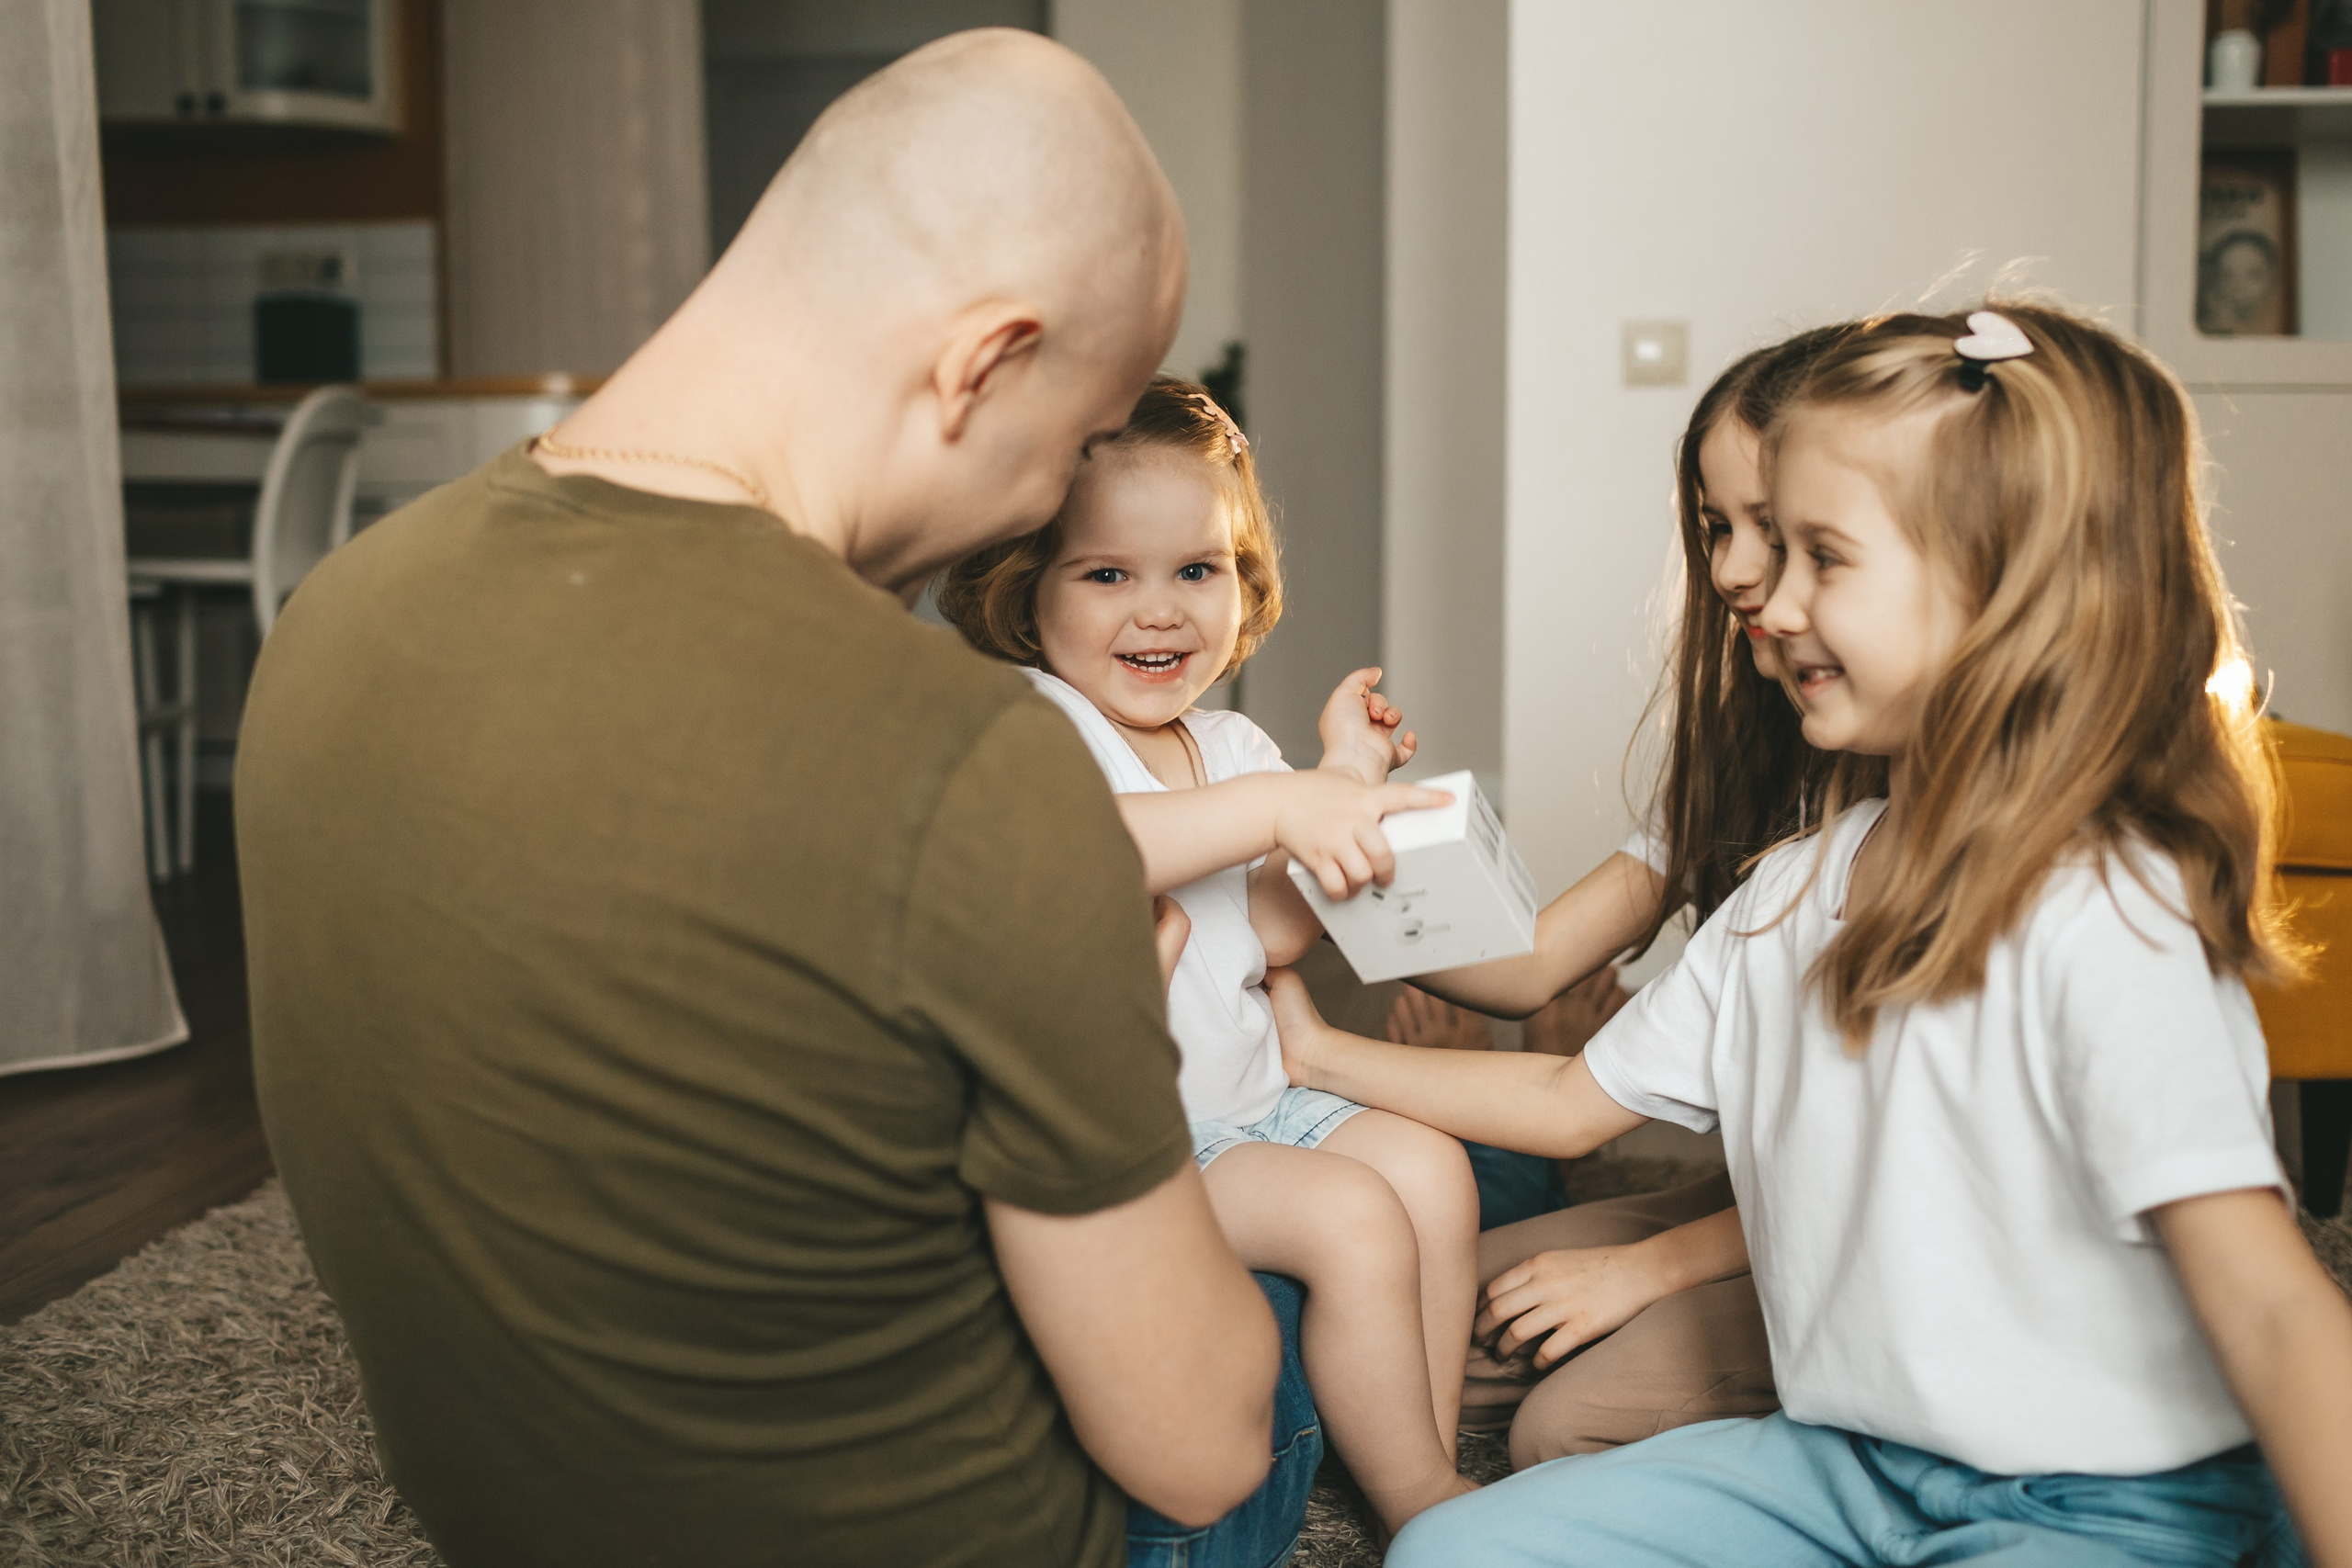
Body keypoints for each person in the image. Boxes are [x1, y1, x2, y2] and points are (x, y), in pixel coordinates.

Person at [237, 32, 1309, 1568]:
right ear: (983, 361)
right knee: (1309, 1278)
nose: (1040, 502)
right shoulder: (967, 760)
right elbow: (1197, 1450)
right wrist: (1109, 1040)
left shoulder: (333, 617)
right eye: (1075, 449)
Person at [1281, 302, 2352, 1567]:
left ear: (2004, 587)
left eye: (1818, 559)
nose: (1764, 599)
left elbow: (2281, 1306)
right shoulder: (1802, 878)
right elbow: (1574, 1092)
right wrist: (1308, 1046)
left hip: (2101, 1496)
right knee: (1447, 1554)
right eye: (1755, 546)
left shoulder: (2105, 911)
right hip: (1853, 1459)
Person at [936, 378, 1480, 1538]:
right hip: (1151, 1148)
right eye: (1106, 575)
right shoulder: (1030, 721)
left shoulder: (1229, 741)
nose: (1161, 611)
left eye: (1198, 571)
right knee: (1350, 1219)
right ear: (1026, 597)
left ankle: (1419, 1452)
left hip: (1255, 1101)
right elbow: (1095, 854)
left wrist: (1342, 793)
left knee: (1433, 1167)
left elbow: (1268, 931)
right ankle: (1418, 1502)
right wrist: (1284, 803)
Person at [1394, 327, 1875, 1468]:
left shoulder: (1917, 816)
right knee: (1420, 1314)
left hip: (1858, 1233)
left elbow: (1876, 1176)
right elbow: (1526, 963)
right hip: (1759, 1204)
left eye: (1775, 528)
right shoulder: (1755, 752)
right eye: (1716, 529)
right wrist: (1349, 864)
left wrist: (1645, 1270)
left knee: (1559, 1419)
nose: (1734, 571)